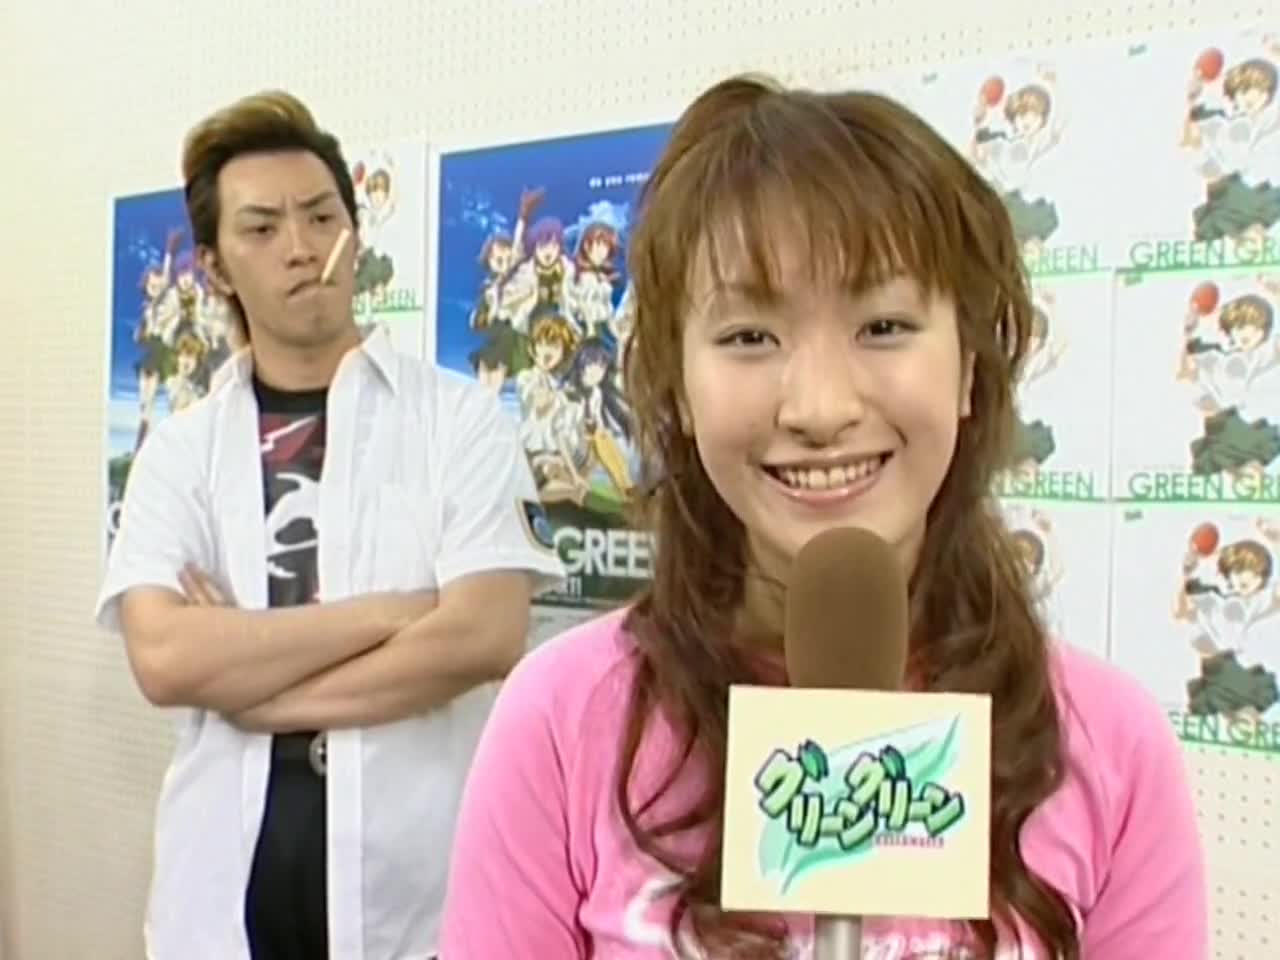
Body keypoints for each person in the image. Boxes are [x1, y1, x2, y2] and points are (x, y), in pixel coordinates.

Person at [438, 75, 1208, 958]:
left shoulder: (1110, 742)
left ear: (967, 368)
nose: (819, 408)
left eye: (883, 326)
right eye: (749, 337)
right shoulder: (562, 717)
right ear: (677, 386)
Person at [95, 90, 564, 960]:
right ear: (215, 268)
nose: (302, 246)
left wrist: (253, 690)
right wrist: (394, 613)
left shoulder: (458, 419)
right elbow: (164, 658)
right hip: (218, 917)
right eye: (262, 228)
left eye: (321, 217)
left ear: (355, 231)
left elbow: (483, 635)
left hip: (419, 919)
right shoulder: (180, 451)